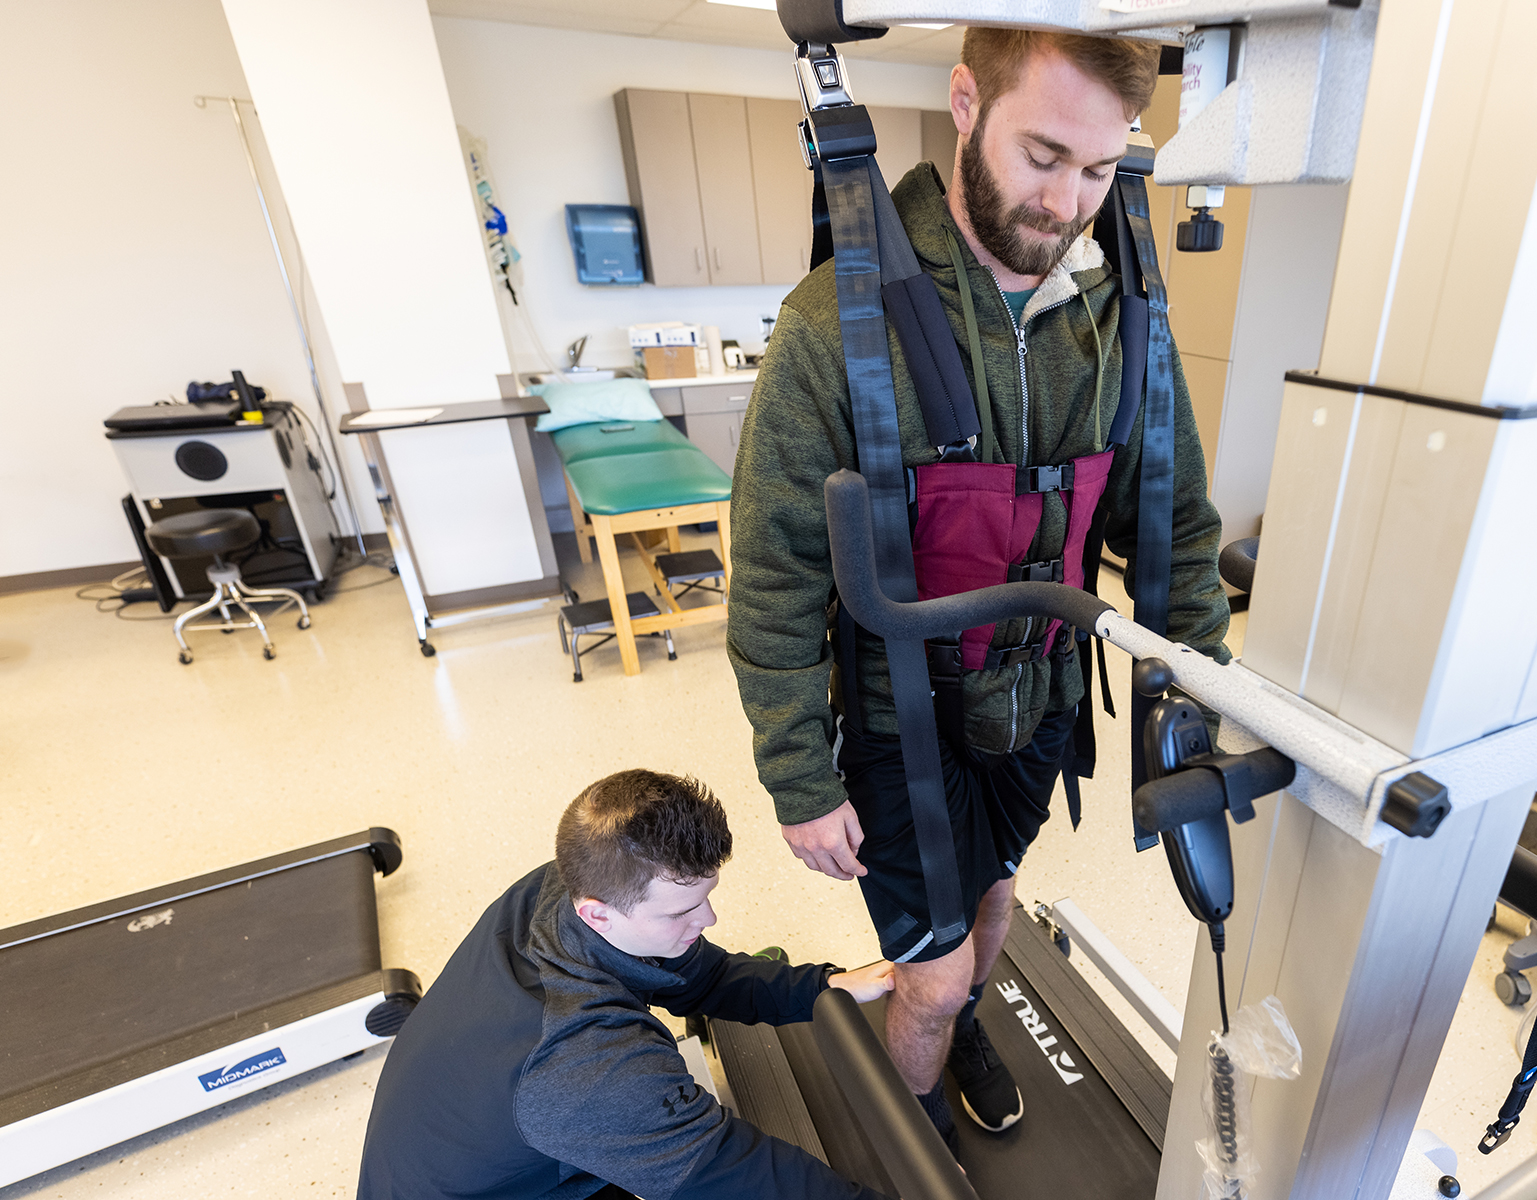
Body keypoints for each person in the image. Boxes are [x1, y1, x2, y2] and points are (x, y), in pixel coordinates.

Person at [727, 27, 1231, 1148]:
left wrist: (1201, 703)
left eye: (1100, 171)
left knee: (996, 893)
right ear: (965, 102)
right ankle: (902, 1144)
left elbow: (1177, 523)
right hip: (898, 714)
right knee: (935, 972)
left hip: (1041, 701)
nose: (1068, 202)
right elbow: (773, 576)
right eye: (1044, 155)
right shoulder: (832, 326)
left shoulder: (1122, 318)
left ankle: (959, 1024)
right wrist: (800, 776)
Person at [357, 769, 896, 1200]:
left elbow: (698, 974)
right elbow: (737, 1172)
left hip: (461, 1139)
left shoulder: (562, 884)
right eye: (682, 911)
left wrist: (823, 986)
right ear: (599, 916)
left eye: (706, 896)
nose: (708, 919)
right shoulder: (592, 1069)